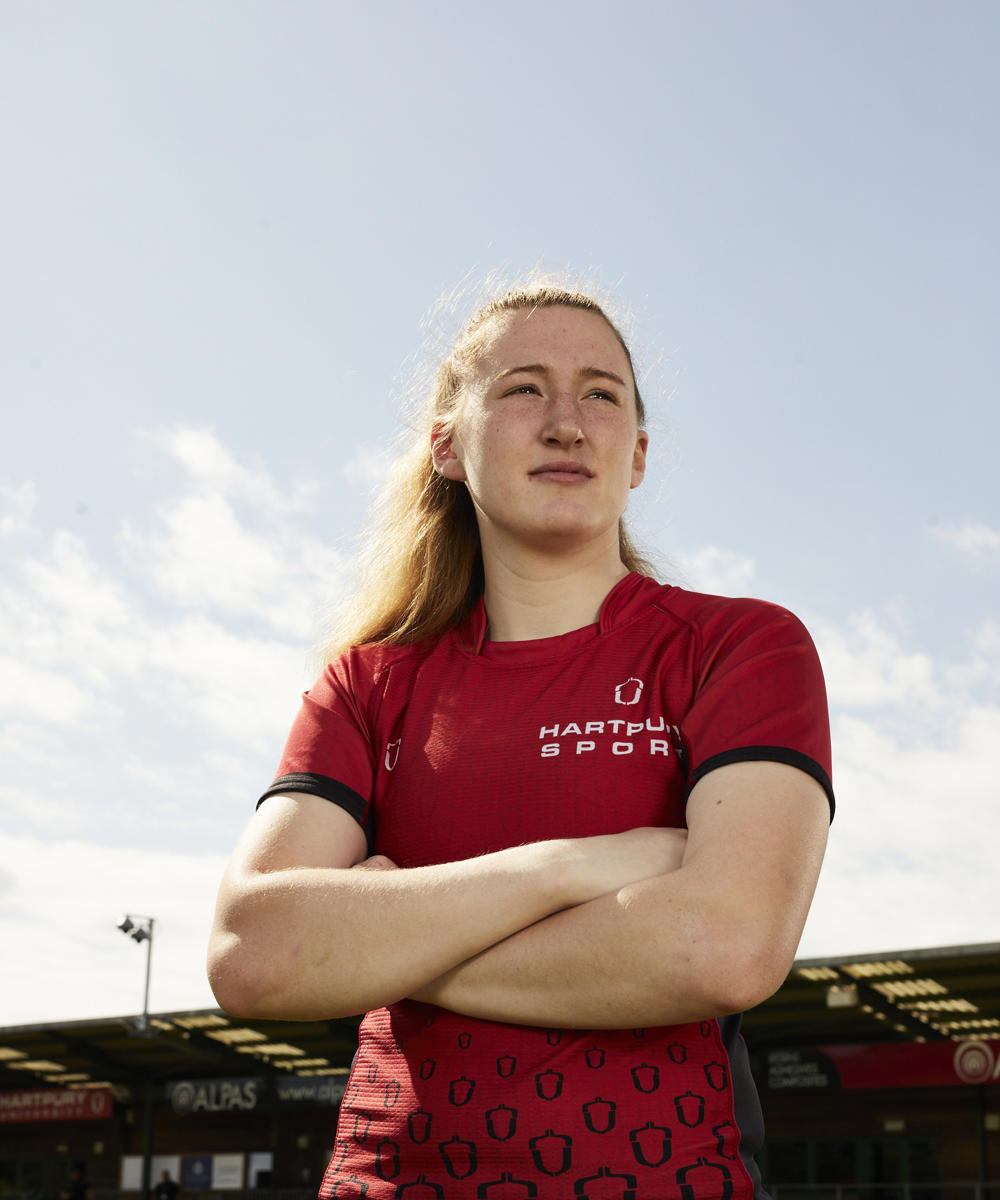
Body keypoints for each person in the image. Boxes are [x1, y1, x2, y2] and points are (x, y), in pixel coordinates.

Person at [208, 279, 833, 1199]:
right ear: (447, 446)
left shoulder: (738, 648)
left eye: (602, 395)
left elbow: (723, 945)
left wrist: (388, 944)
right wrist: (567, 868)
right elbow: (252, 955)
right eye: (524, 388)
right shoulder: (367, 686)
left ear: (638, 455)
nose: (567, 424)